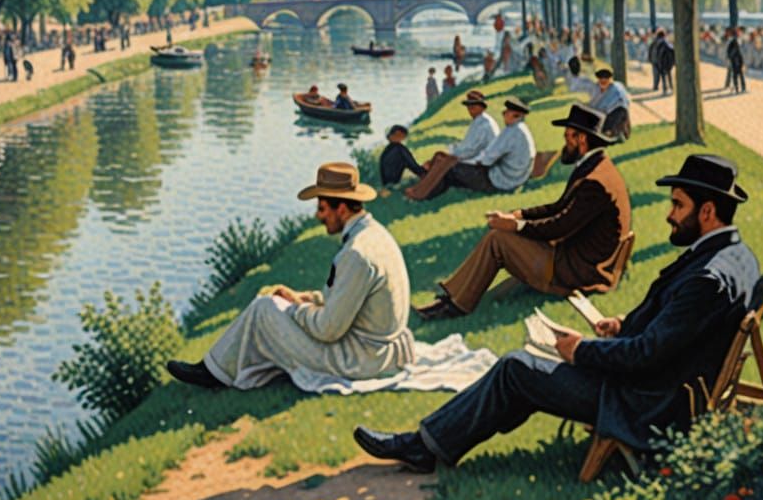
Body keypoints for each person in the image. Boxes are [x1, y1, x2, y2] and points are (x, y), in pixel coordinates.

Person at [353, 155, 761, 475]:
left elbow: (647, 355)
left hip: (646, 403)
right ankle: (433, 442)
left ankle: (424, 447)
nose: (670, 214)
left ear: (707, 212)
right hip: (659, 387)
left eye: (678, 205)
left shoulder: (707, 277)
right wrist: (621, 326)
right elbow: (674, 329)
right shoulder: (735, 257)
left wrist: (581, 351)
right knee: (523, 372)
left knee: (516, 368)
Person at [167, 162, 416, 390]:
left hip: (360, 360)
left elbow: (328, 329)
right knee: (271, 307)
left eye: (322, 208)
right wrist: (302, 297)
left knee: (263, 307)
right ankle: (222, 368)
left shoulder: (356, 254)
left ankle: (214, 373)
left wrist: (295, 310)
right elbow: (347, 297)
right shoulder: (375, 235)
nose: (318, 216)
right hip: (380, 350)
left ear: (341, 208)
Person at [415, 104, 631, 319]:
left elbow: (560, 225)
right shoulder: (596, 167)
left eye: (568, 137)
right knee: (501, 235)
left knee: (498, 240)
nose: (565, 143)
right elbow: (559, 207)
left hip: (576, 271)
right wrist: (518, 215)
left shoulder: (595, 182)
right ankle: (454, 295)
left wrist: (516, 226)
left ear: (581, 139)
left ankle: (457, 305)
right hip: (578, 259)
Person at [406, 97, 536, 201]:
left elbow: (486, 160)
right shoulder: (519, 129)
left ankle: (424, 194)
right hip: (512, 177)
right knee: (447, 164)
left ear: (516, 115)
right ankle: (424, 188)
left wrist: (462, 161)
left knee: (449, 168)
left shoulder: (510, 132)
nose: (503, 114)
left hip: (502, 181)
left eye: (506, 112)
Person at [726, 29, 746, 94]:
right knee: (738, 75)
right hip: (736, 61)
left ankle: (738, 88)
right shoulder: (734, 43)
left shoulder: (733, 43)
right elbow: (737, 53)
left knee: (737, 75)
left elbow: (729, 53)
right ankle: (740, 88)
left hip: (735, 61)